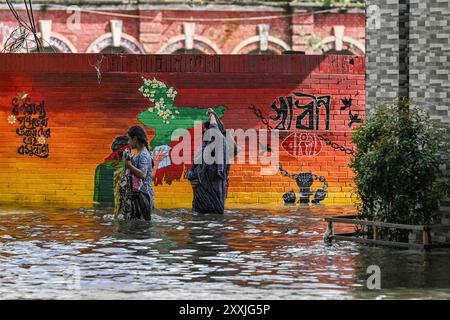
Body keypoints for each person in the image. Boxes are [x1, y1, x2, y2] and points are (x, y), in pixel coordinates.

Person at [114, 125, 166, 220]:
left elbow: (143, 175)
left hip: (143, 197)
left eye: (129, 139)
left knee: (140, 229)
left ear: (135, 139)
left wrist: (128, 164)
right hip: (139, 196)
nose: (128, 142)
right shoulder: (139, 153)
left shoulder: (144, 154)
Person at [186, 108, 230, 214]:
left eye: (206, 131)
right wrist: (191, 176)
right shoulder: (203, 150)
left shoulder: (220, 147)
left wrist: (212, 116)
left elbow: (218, 136)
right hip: (200, 203)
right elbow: (193, 171)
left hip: (213, 204)